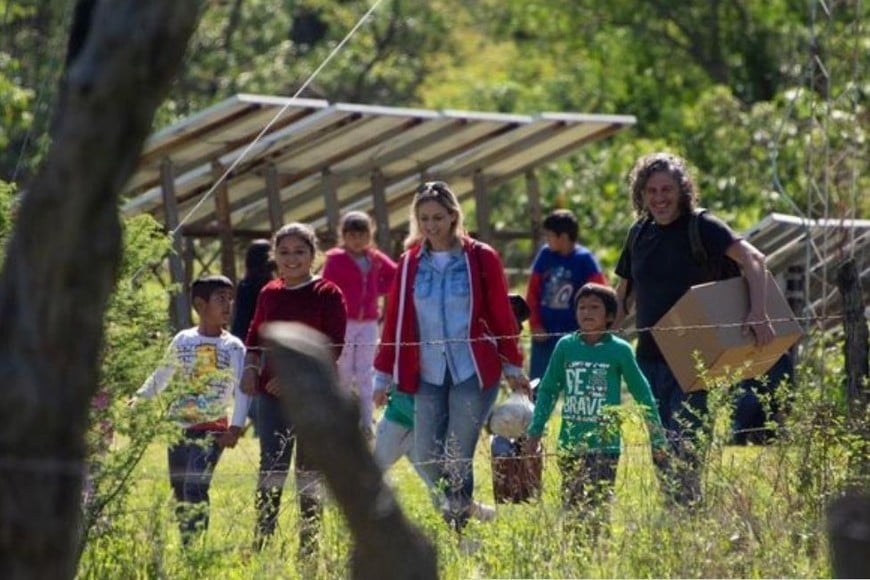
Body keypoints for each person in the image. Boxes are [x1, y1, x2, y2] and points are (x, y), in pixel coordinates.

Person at [613, 152, 775, 507]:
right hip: (647, 361)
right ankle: (678, 516)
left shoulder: (702, 227)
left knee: (684, 446)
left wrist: (758, 311)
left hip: (695, 359)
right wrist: (606, 340)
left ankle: (687, 516)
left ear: (682, 190)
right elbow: (623, 292)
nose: (659, 197)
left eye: (667, 189)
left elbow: (755, 260)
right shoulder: (638, 233)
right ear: (641, 194)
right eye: (651, 190)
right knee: (661, 449)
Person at [372, 180, 529, 531]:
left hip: (472, 371)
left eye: (438, 217)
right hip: (425, 372)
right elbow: (395, 319)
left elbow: (502, 315)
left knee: (458, 453)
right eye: (424, 218)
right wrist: (382, 376)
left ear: (454, 216)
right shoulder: (410, 262)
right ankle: (462, 507)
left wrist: (512, 365)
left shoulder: (480, 257)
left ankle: (456, 528)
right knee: (428, 452)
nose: (431, 225)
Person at [523, 283, 666, 535]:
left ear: (610, 316)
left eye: (595, 307)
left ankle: (598, 553)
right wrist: (535, 432)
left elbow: (642, 393)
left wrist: (656, 437)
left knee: (597, 506)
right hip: (570, 443)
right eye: (581, 307)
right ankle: (576, 557)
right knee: (572, 504)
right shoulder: (566, 346)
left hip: (604, 445)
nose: (586, 312)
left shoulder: (619, 350)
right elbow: (548, 390)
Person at [239, 222, 347, 555]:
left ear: (313, 256)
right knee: (271, 466)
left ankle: (309, 544)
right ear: (274, 256)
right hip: (271, 397)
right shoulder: (269, 292)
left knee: (309, 469)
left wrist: (294, 380)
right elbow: (255, 335)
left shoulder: (328, 293)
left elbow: (333, 347)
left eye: (300, 251)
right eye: (284, 252)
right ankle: (262, 538)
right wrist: (251, 366)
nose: (292, 258)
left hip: (314, 396)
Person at [133, 275, 250, 547]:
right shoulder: (183, 340)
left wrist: (236, 426)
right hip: (179, 429)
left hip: (213, 430)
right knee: (179, 489)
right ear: (200, 304)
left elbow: (242, 389)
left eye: (230, 298)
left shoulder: (233, 347)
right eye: (221, 298)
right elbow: (162, 374)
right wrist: (140, 398)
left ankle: (194, 550)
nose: (228, 304)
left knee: (195, 487)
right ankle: (188, 544)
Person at [322, 211, 397, 437]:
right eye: (352, 235)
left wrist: (377, 290)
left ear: (369, 234)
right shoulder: (335, 258)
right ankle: (341, 421)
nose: (357, 240)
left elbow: (395, 274)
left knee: (366, 372)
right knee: (343, 372)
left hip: (369, 322)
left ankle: (366, 422)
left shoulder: (373, 258)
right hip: (344, 321)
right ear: (343, 236)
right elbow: (326, 286)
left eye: (362, 235)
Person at [526, 209, 607, 381]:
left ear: (563, 237)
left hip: (575, 334)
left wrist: (592, 329)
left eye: (549, 236)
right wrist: (535, 324)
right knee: (538, 384)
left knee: (579, 382)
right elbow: (533, 292)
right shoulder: (545, 255)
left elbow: (600, 295)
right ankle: (538, 409)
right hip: (545, 334)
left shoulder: (584, 259)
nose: (546, 241)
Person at [230, 239, 275, 435]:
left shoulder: (245, 285)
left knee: (246, 387)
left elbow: (240, 318)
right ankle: (263, 425)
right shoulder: (273, 286)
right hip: (269, 342)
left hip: (247, 341)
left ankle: (259, 424)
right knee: (262, 386)